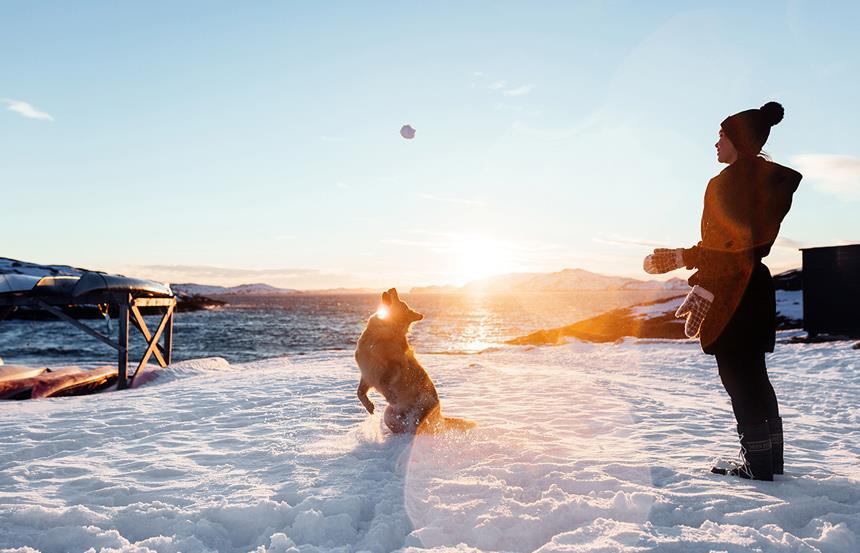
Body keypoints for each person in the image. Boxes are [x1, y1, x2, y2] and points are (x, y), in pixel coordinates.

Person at [643, 101, 802, 481]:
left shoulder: (724, 185)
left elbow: (726, 252)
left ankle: (758, 468)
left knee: (737, 378)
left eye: (722, 136)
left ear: (739, 142)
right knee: (755, 377)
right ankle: (770, 462)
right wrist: (701, 274)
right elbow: (745, 251)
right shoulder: (765, 183)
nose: (715, 143)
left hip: (732, 293)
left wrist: (684, 259)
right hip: (756, 288)